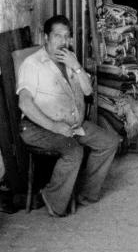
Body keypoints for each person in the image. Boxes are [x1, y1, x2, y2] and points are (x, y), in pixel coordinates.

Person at [16, 15, 118, 217]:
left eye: (67, 36)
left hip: (71, 125)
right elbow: (24, 103)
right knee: (74, 152)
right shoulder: (33, 63)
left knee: (109, 142)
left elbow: (88, 92)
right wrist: (54, 126)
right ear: (46, 37)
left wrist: (77, 66)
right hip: (38, 128)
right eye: (57, 36)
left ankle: (85, 193)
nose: (63, 41)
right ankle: (54, 200)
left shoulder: (69, 59)